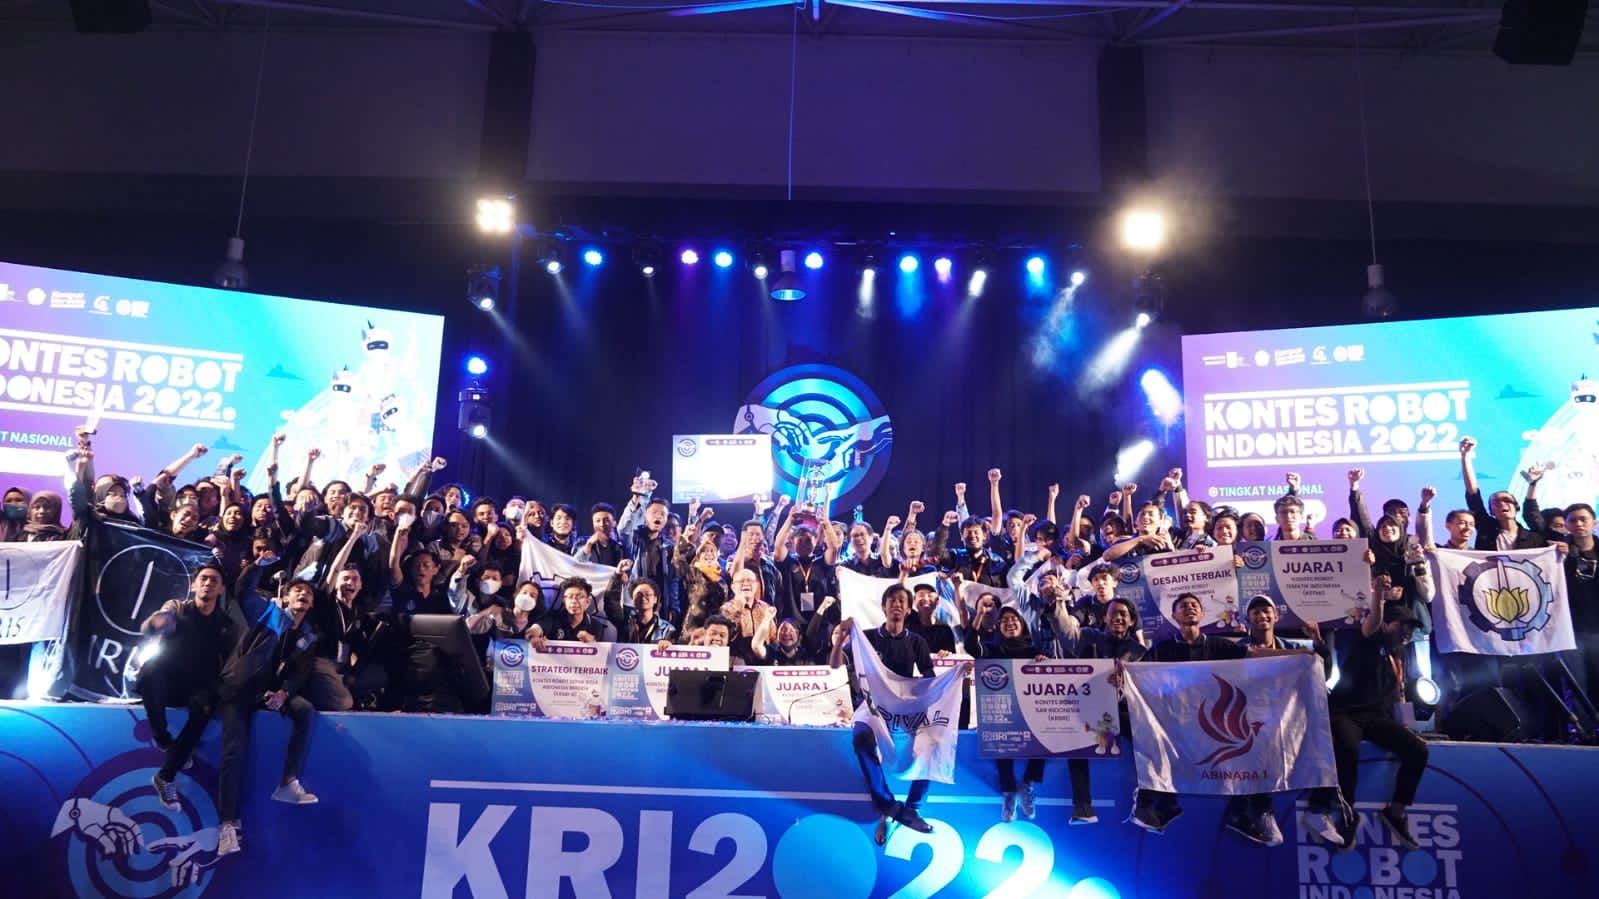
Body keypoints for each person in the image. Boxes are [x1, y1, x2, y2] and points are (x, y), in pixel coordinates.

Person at [1303, 573, 1430, 851]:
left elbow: (1396, 696)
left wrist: (1404, 725)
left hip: (1376, 718)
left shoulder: (1399, 656)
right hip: (1346, 712)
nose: (1407, 632)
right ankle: (1347, 817)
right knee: (1348, 750)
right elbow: (1371, 625)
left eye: (1411, 628)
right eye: (1402, 626)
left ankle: (1395, 813)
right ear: (1387, 624)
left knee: (1418, 750)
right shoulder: (1369, 642)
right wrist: (1378, 596)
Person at [215, 572, 323, 857]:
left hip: (270, 693)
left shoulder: (309, 635)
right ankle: (227, 825)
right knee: (234, 754)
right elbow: (243, 590)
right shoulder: (269, 614)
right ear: (286, 597)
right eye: (297, 591)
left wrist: (284, 694)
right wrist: (259, 565)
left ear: (312, 604)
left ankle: (288, 782)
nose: (303, 596)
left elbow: (301, 671)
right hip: (239, 690)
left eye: (308, 594)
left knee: (304, 711)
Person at [829, 585, 938, 845]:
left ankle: (912, 807)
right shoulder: (866, 638)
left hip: (904, 708)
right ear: (883, 607)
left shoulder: (917, 642)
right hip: (873, 706)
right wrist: (841, 637)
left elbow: (929, 679)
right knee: (861, 738)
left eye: (902, 601)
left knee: (935, 740)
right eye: (892, 600)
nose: (897, 605)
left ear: (909, 609)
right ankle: (888, 807)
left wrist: (957, 675)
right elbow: (834, 664)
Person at [1224, 595, 1331, 847]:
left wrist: (1317, 642)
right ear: (1247, 620)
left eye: (1266, 611)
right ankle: (1263, 811)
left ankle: (1320, 809)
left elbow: (1323, 672)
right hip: (1249, 717)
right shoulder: (1237, 647)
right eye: (1256, 612)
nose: (1262, 616)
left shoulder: (1296, 647)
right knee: (1256, 745)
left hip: (1288, 717)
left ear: (1276, 616)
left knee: (1331, 738)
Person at [139, 564, 237, 811]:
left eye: (215, 580)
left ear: (222, 588)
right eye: (203, 578)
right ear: (193, 585)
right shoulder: (177, 608)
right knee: (151, 668)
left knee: (208, 703)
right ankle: (163, 739)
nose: (208, 583)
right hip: (169, 681)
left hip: (198, 687)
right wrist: (157, 622)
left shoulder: (226, 624)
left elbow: (227, 662)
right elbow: (154, 623)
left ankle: (166, 776)